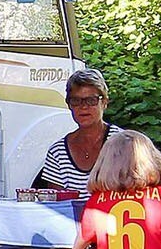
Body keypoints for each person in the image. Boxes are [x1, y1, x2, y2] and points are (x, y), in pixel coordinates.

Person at [31, 68, 126, 201]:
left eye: (91, 100)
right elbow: (56, 205)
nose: (83, 107)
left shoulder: (124, 144)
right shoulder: (57, 152)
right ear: (69, 105)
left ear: (104, 102)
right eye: (76, 101)